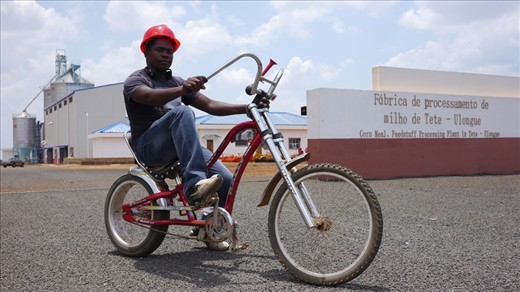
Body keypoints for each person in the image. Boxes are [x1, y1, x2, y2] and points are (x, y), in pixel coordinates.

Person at [123, 24, 248, 213]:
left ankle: (209, 228)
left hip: (178, 147)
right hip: (147, 148)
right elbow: (148, 96)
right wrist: (183, 90)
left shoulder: (178, 82)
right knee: (182, 112)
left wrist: (248, 107)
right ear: (146, 53)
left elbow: (211, 105)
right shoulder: (135, 80)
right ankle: (194, 186)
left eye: (170, 51)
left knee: (226, 180)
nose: (166, 54)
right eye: (160, 50)